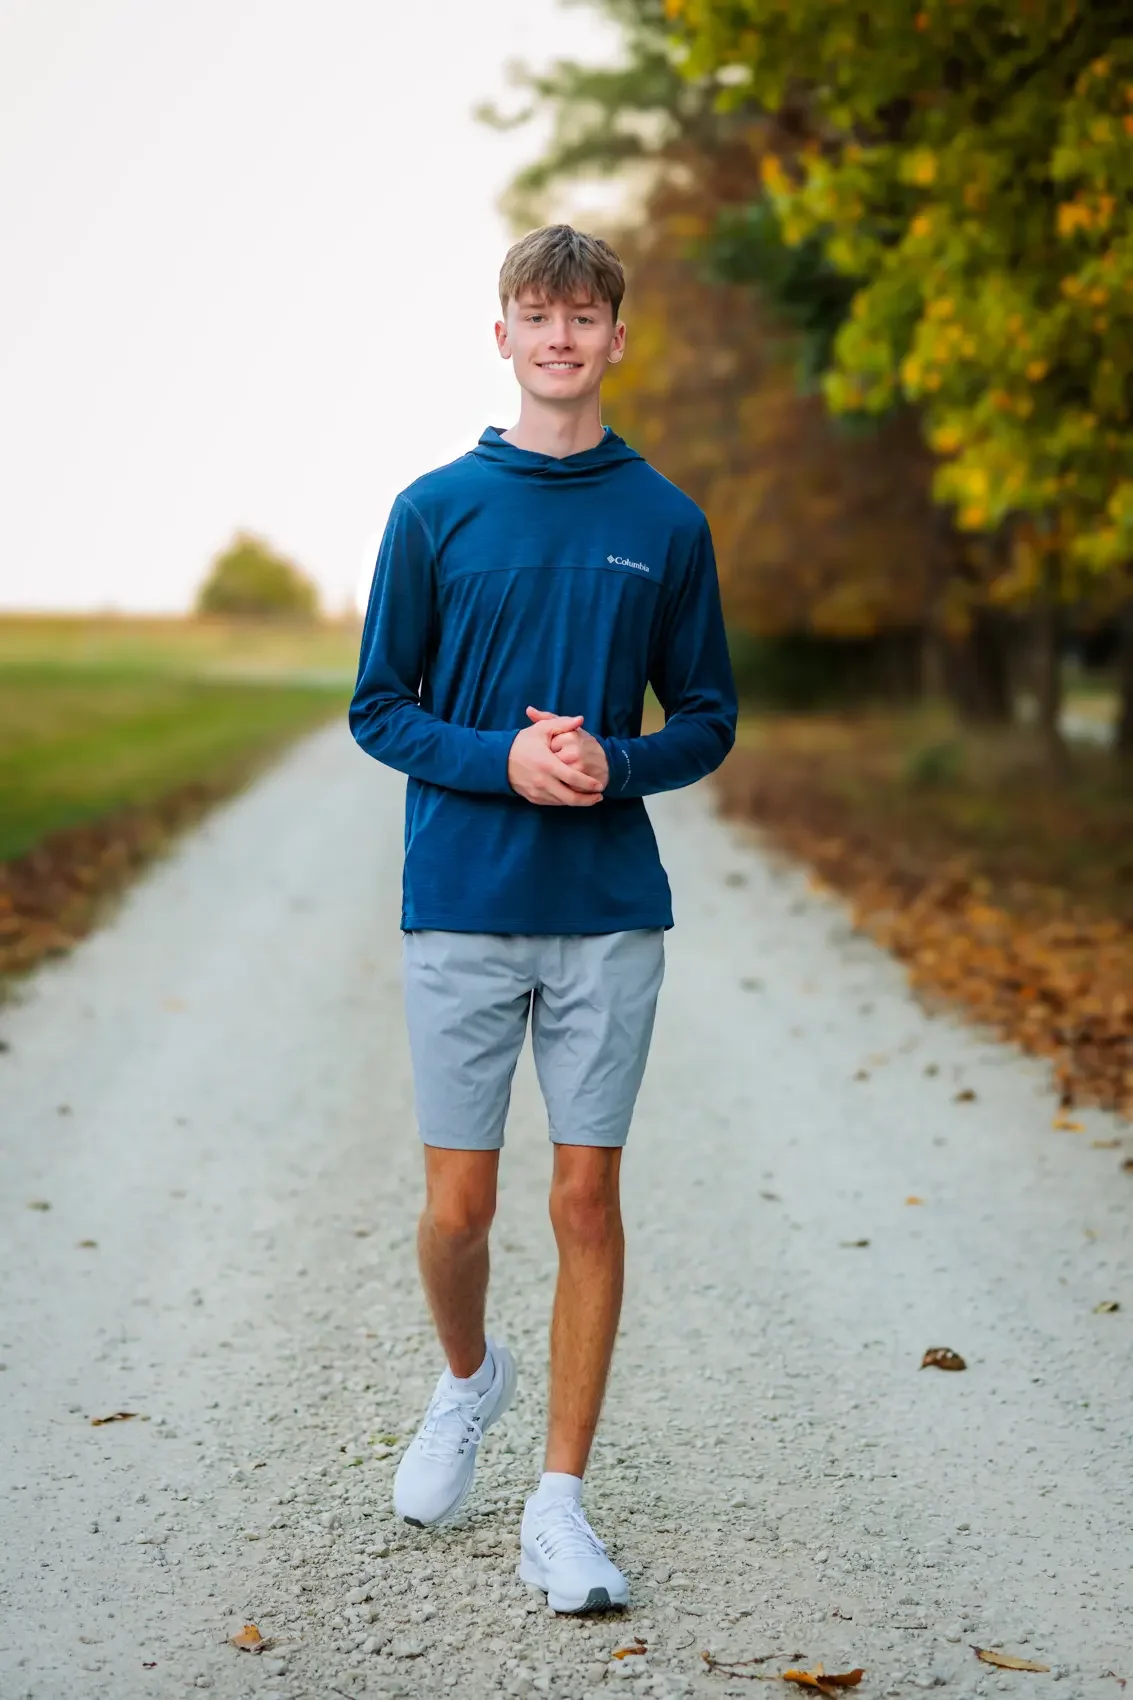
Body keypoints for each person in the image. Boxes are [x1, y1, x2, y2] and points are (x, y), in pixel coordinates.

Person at [349, 223, 737, 1614]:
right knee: (460, 1209)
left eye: (587, 317)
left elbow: (707, 720)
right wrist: (503, 761)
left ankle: (558, 1504)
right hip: (460, 895)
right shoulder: (433, 510)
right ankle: (469, 1380)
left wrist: (610, 769)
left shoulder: (665, 523)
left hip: (608, 912)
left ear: (619, 340)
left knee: (587, 1196)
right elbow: (378, 707)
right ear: (501, 336)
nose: (562, 337)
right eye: (538, 313)